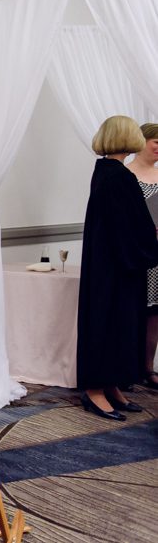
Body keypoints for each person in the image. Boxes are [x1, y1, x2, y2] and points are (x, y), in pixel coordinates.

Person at [78, 116, 158, 420]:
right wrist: (149, 245)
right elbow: (127, 227)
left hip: (112, 265)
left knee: (117, 326)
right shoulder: (117, 177)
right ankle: (95, 390)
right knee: (108, 325)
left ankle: (111, 386)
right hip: (115, 268)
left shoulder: (107, 171)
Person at [126, 123, 158, 390]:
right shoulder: (125, 174)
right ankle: (128, 367)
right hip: (135, 252)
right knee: (133, 310)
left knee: (155, 313)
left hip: (157, 253)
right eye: (155, 141)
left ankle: (148, 367)